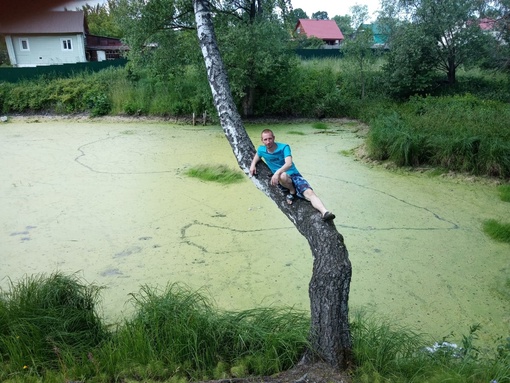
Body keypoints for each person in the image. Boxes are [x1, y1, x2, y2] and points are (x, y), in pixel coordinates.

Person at [249, 129, 335, 221]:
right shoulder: (261, 150)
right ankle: (292, 191)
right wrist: (252, 165)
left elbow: (289, 163)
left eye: (270, 139)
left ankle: (325, 212)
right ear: (262, 140)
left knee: (309, 193)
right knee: (282, 176)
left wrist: (277, 172)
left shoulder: (284, 147)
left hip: (294, 175)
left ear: (274, 138)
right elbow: (257, 156)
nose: (268, 142)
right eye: (265, 139)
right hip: (283, 180)